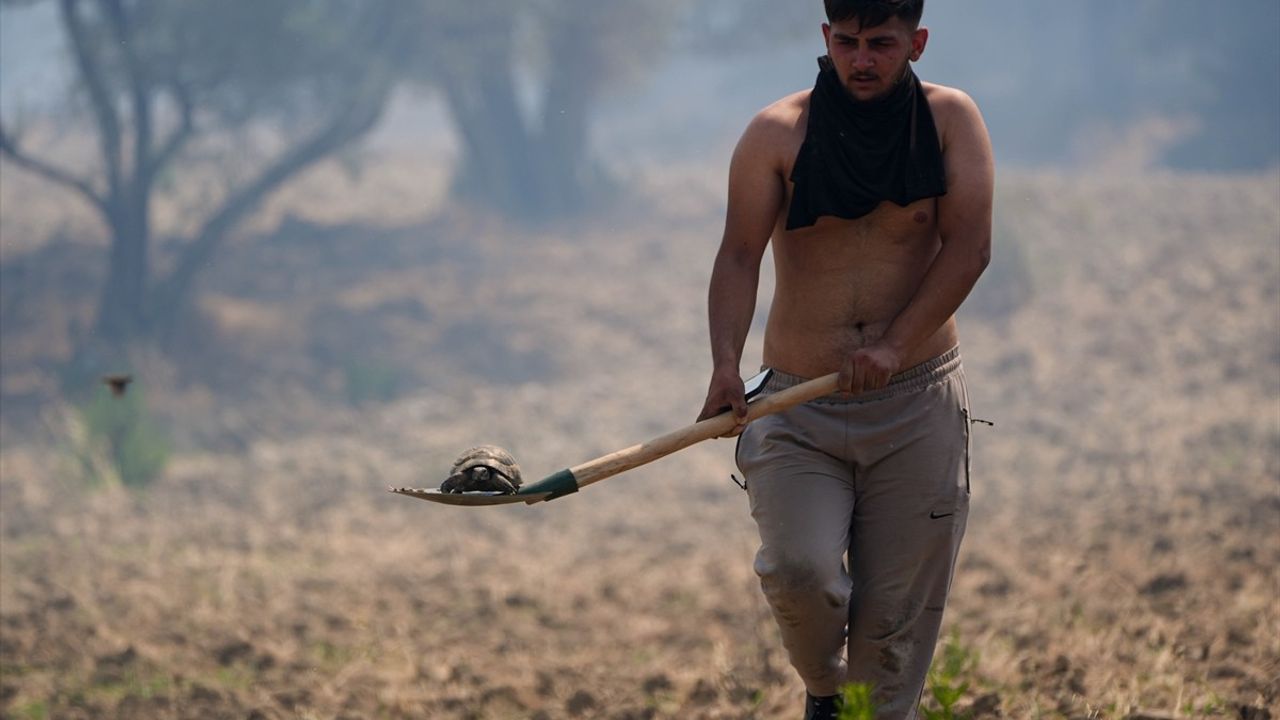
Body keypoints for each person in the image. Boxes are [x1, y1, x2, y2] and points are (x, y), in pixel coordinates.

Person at [696, 1, 993, 718]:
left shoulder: (952, 122)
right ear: (826, 38)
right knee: (801, 575)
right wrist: (726, 363)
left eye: (882, 45)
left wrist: (894, 345)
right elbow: (739, 254)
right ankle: (824, 692)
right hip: (799, 406)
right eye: (848, 42)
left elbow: (970, 249)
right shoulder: (776, 133)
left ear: (916, 42)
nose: (862, 60)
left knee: (892, 638)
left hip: (916, 403)